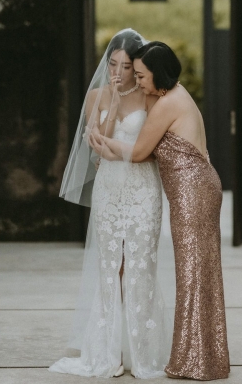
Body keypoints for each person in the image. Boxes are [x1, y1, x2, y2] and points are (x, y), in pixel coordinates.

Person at [91, 41, 230, 381]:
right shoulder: (175, 95)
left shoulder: (169, 102)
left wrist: (105, 146)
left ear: (159, 75)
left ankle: (195, 360)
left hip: (192, 192)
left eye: (141, 75)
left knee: (194, 274)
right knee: (198, 273)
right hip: (196, 188)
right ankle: (202, 357)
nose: (137, 82)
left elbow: (139, 152)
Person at [50, 29, 171, 379]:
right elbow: (94, 147)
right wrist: (114, 104)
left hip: (144, 189)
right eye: (113, 64)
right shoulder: (96, 96)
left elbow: (150, 149)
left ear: (138, 67)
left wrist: (115, 147)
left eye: (127, 66)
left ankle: (141, 352)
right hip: (109, 190)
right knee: (109, 267)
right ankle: (111, 352)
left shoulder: (150, 97)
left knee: (138, 266)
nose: (118, 72)